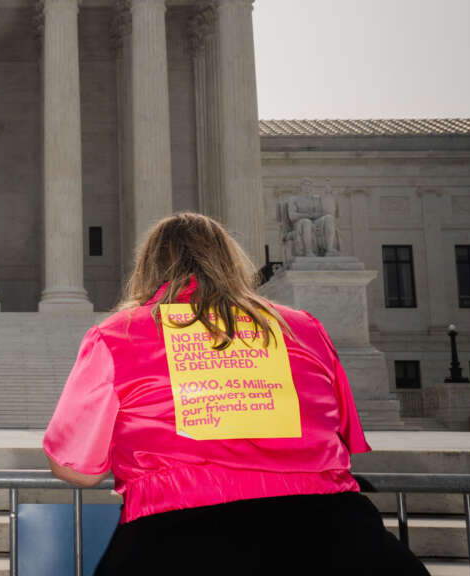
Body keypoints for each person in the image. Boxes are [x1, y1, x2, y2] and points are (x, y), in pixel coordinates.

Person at [43, 212, 427, 575]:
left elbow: (76, 469)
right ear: (230, 261)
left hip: (178, 538)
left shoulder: (118, 335)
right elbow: (342, 434)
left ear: (148, 267)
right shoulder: (301, 327)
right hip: (339, 534)